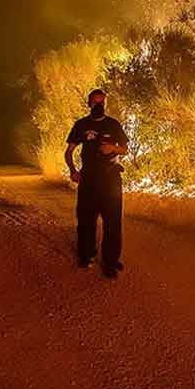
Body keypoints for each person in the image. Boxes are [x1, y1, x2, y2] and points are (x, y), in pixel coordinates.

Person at [64, 88, 129, 278]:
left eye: (102, 102)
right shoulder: (81, 125)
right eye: (95, 102)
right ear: (89, 103)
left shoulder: (113, 125)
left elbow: (124, 149)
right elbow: (69, 151)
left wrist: (112, 148)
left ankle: (110, 262)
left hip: (111, 180)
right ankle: (86, 255)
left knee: (113, 222)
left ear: (105, 104)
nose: (98, 106)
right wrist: (73, 171)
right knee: (85, 220)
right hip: (89, 180)